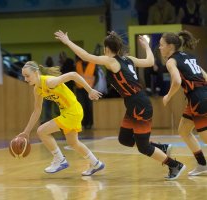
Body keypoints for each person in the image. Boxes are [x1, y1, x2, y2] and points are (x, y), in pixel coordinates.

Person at [54, 30, 185, 180]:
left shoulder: (111, 61)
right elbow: (149, 62)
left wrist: (67, 41)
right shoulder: (127, 59)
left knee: (143, 147)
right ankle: (161, 148)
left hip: (139, 104)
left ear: (106, 49)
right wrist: (147, 46)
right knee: (125, 139)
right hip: (134, 103)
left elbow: (86, 56)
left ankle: (174, 165)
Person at [18, 61, 105, 176]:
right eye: (24, 76)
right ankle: (96, 163)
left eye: (27, 76)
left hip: (72, 111)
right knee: (73, 143)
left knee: (42, 131)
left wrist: (89, 90)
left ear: (36, 73)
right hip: (69, 112)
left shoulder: (49, 82)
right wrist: (26, 132)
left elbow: (73, 75)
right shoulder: (37, 90)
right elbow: (37, 110)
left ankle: (60, 159)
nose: (25, 79)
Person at [159, 30, 207, 176]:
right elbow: (205, 76)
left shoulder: (171, 61)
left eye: (161, 45)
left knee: (205, 136)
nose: (159, 48)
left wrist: (167, 96)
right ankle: (202, 164)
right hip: (198, 97)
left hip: (198, 98)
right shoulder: (189, 57)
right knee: (184, 131)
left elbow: (177, 81)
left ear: (170, 46)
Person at [75, 56, 98, 129]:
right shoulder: (77, 64)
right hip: (80, 89)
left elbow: (97, 76)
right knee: (81, 106)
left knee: (89, 106)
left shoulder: (93, 64)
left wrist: (93, 86)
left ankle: (90, 123)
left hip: (89, 89)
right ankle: (82, 124)